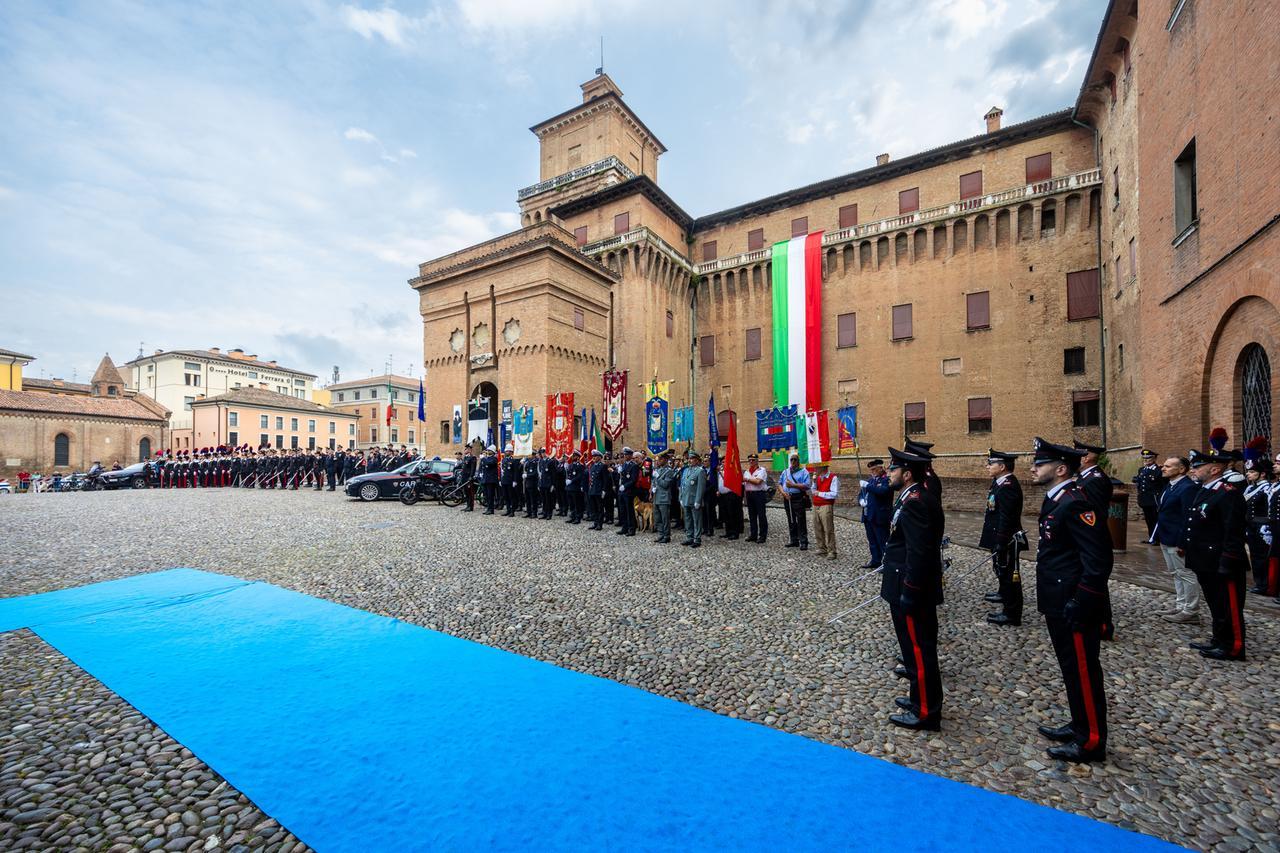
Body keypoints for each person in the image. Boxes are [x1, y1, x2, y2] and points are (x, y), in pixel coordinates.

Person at [1029, 437, 1112, 763]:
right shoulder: (1058, 498)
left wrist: (1083, 600)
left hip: (1073, 601)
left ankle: (1090, 740)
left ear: (1061, 468)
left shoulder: (1076, 502)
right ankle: (1080, 724)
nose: (1034, 469)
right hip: (1059, 598)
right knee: (1071, 668)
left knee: (1082, 668)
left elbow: (1098, 559)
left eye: (1040, 464)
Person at [879, 446, 945, 731]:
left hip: (911, 587)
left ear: (906, 475)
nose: (888, 473)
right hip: (905, 583)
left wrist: (910, 590)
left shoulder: (917, 501)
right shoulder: (911, 498)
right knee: (914, 649)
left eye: (892, 469)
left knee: (919, 650)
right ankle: (918, 699)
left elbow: (919, 552)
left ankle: (926, 712)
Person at [1183, 447, 1249, 661]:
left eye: (1199, 466)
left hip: (1222, 559)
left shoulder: (1228, 493)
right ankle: (1220, 638)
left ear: (1215, 469)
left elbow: (1233, 530)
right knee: (1215, 602)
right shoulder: (1205, 490)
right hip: (1205, 559)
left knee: (1229, 604)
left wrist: (1228, 560)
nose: (1194, 470)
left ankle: (1234, 646)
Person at [1073, 440, 1116, 640]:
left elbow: (1094, 516)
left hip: (1093, 542)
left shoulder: (1095, 480)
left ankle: (1103, 626)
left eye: (1078, 453)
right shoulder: (1085, 478)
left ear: (1087, 456)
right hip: (1086, 541)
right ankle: (1091, 620)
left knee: (1095, 585)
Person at [1150, 456, 1200, 622]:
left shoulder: (1187, 488)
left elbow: (1188, 517)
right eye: (1164, 465)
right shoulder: (1170, 486)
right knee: (1175, 573)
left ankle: (1191, 610)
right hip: (1166, 536)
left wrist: (1183, 542)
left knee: (1185, 574)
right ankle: (1180, 605)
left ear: (1181, 469)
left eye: (1168, 466)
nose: (1163, 468)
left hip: (1177, 538)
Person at [980, 449, 1025, 627]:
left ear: (1002, 466)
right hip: (999, 537)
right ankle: (1007, 604)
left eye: (991, 464)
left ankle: (1011, 614)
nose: (988, 466)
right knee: (1003, 573)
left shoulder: (1008, 486)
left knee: (1010, 577)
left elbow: (1007, 517)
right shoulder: (999, 483)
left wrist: (1000, 541)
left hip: (1006, 540)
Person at [1243, 445, 1278, 596]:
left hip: (1262, 526)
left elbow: (1270, 508)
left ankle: (1264, 584)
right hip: (1251, 525)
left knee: (1262, 556)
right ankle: (1259, 582)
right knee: (1255, 555)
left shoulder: (1267, 488)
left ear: (1262, 474)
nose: (1249, 474)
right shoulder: (1250, 488)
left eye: (1252, 472)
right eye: (1248, 471)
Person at [859, 460, 892, 569]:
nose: (872, 472)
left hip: (879, 515)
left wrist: (867, 486)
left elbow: (883, 491)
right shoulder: (870, 481)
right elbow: (861, 494)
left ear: (881, 468)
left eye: (874, 469)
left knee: (882, 540)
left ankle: (887, 563)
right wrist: (861, 500)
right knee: (872, 540)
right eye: (871, 470)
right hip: (868, 514)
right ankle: (875, 560)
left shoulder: (886, 480)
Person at [1132, 449, 1166, 542]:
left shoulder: (1159, 470)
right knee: (1148, 520)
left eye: (1148, 458)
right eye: (1144, 458)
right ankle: (1151, 537)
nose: (1146, 460)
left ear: (1154, 458)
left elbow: (1163, 485)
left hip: (1154, 499)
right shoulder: (1142, 470)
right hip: (1144, 499)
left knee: (1156, 519)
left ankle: (1157, 539)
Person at [779, 453, 811, 550]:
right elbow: (780, 483)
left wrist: (793, 485)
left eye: (795, 460)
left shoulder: (803, 472)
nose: (793, 461)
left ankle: (803, 541)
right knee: (791, 519)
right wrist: (783, 493)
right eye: (791, 460)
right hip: (787, 497)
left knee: (800, 519)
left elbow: (807, 485)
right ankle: (794, 540)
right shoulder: (785, 471)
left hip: (798, 498)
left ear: (798, 461)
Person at [810, 460, 839, 560]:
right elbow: (813, 491)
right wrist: (814, 482)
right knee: (817, 527)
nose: (814, 469)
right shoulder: (817, 478)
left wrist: (820, 493)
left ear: (823, 468)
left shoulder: (833, 477)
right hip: (816, 504)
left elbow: (834, 493)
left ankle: (832, 551)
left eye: (816, 467)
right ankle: (821, 547)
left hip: (826, 505)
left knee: (828, 529)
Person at [679, 450, 707, 547]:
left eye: (692, 459)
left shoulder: (700, 471)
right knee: (688, 520)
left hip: (694, 500)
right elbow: (682, 485)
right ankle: (689, 537)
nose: (690, 460)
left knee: (697, 520)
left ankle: (697, 539)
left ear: (697, 460)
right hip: (686, 499)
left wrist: (698, 500)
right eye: (689, 459)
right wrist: (681, 497)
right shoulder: (686, 470)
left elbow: (701, 487)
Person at [650, 451, 679, 543]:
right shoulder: (657, 470)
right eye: (659, 459)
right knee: (657, 517)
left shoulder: (669, 471)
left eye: (661, 459)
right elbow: (654, 482)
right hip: (656, 497)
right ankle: (661, 534)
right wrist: (652, 489)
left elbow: (665, 484)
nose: (659, 461)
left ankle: (666, 536)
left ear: (666, 460)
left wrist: (658, 478)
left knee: (665, 518)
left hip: (664, 498)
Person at [742, 454, 770, 544]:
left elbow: (758, 482)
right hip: (749, 495)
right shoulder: (747, 471)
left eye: (753, 460)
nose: (751, 462)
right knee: (752, 516)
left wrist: (746, 479)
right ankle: (753, 535)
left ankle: (762, 536)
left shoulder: (762, 470)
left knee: (761, 515)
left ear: (757, 461)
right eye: (749, 460)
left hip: (759, 494)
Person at [717, 460, 744, 541]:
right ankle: (728, 532)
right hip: (722, 495)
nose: (723, 463)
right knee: (725, 514)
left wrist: (720, 472)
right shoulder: (721, 471)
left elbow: (727, 480)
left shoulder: (732, 471)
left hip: (730, 495)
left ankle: (734, 533)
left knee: (732, 514)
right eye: (722, 462)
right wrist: (718, 490)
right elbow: (720, 482)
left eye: (725, 461)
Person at [617, 447, 639, 536]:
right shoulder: (624, 465)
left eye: (627, 455)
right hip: (622, 491)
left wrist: (625, 486)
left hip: (629, 491)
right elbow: (622, 477)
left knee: (629, 511)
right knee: (622, 510)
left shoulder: (634, 465)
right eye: (624, 455)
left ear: (630, 455)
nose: (625, 456)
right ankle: (624, 527)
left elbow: (633, 479)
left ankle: (631, 529)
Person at [586, 450, 606, 529]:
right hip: (592, 490)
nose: (593, 457)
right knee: (593, 508)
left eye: (595, 456)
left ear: (600, 457)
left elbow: (605, 479)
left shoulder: (603, 466)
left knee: (600, 508)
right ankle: (595, 522)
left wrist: (604, 490)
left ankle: (599, 524)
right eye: (593, 456)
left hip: (599, 490)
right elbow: (591, 478)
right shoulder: (593, 466)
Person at [501, 445, 522, 517]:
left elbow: (515, 471)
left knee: (511, 496)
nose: (506, 452)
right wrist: (501, 479)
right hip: (504, 480)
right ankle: (508, 509)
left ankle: (512, 511)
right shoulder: (503, 460)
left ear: (511, 452)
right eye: (506, 451)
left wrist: (515, 481)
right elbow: (502, 470)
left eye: (508, 451)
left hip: (510, 481)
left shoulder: (514, 460)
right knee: (506, 496)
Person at [565, 451, 586, 524]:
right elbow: (568, 474)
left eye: (574, 456)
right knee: (571, 503)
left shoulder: (580, 466)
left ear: (577, 457)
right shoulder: (570, 465)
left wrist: (572, 480)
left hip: (576, 487)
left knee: (577, 503)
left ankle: (578, 517)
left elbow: (580, 476)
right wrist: (567, 480)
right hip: (569, 487)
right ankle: (572, 516)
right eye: (572, 456)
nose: (572, 457)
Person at [477, 445, 499, 514]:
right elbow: (483, 466)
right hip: (485, 479)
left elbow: (489, 463)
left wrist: (483, 458)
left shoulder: (494, 459)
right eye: (487, 450)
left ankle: (491, 509)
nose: (488, 451)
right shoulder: (486, 458)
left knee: (490, 495)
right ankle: (488, 508)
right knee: (486, 495)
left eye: (489, 450)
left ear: (492, 452)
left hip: (491, 480)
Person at [523, 450, 541, 518]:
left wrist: (527, 475)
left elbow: (535, 473)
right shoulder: (527, 462)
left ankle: (534, 513)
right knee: (527, 499)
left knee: (533, 499)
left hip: (533, 483)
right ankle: (529, 512)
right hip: (527, 483)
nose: (529, 456)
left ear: (533, 455)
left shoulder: (536, 462)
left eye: (530, 455)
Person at [459, 447, 477, 512]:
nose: (465, 450)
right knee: (466, 492)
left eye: (466, 449)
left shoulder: (472, 457)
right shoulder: (465, 458)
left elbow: (473, 468)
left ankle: (471, 506)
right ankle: (467, 506)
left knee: (470, 493)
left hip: (468, 478)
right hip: (464, 477)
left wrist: (471, 476)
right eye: (465, 449)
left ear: (469, 450)